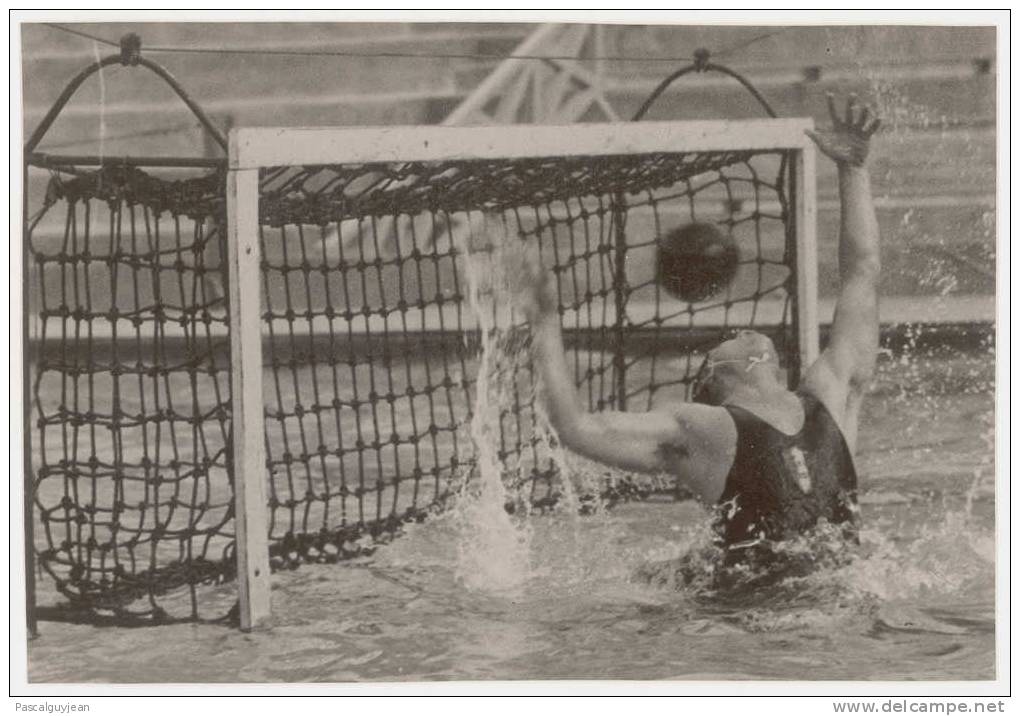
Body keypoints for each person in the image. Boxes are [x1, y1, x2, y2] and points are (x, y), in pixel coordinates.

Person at [520, 94, 881, 567]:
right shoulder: (702, 429)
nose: (741, 326)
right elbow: (576, 428)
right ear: (713, 378)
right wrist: (544, 320)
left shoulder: (829, 393)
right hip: (770, 618)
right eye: (723, 340)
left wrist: (853, 171)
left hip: (806, 613)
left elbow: (863, 271)